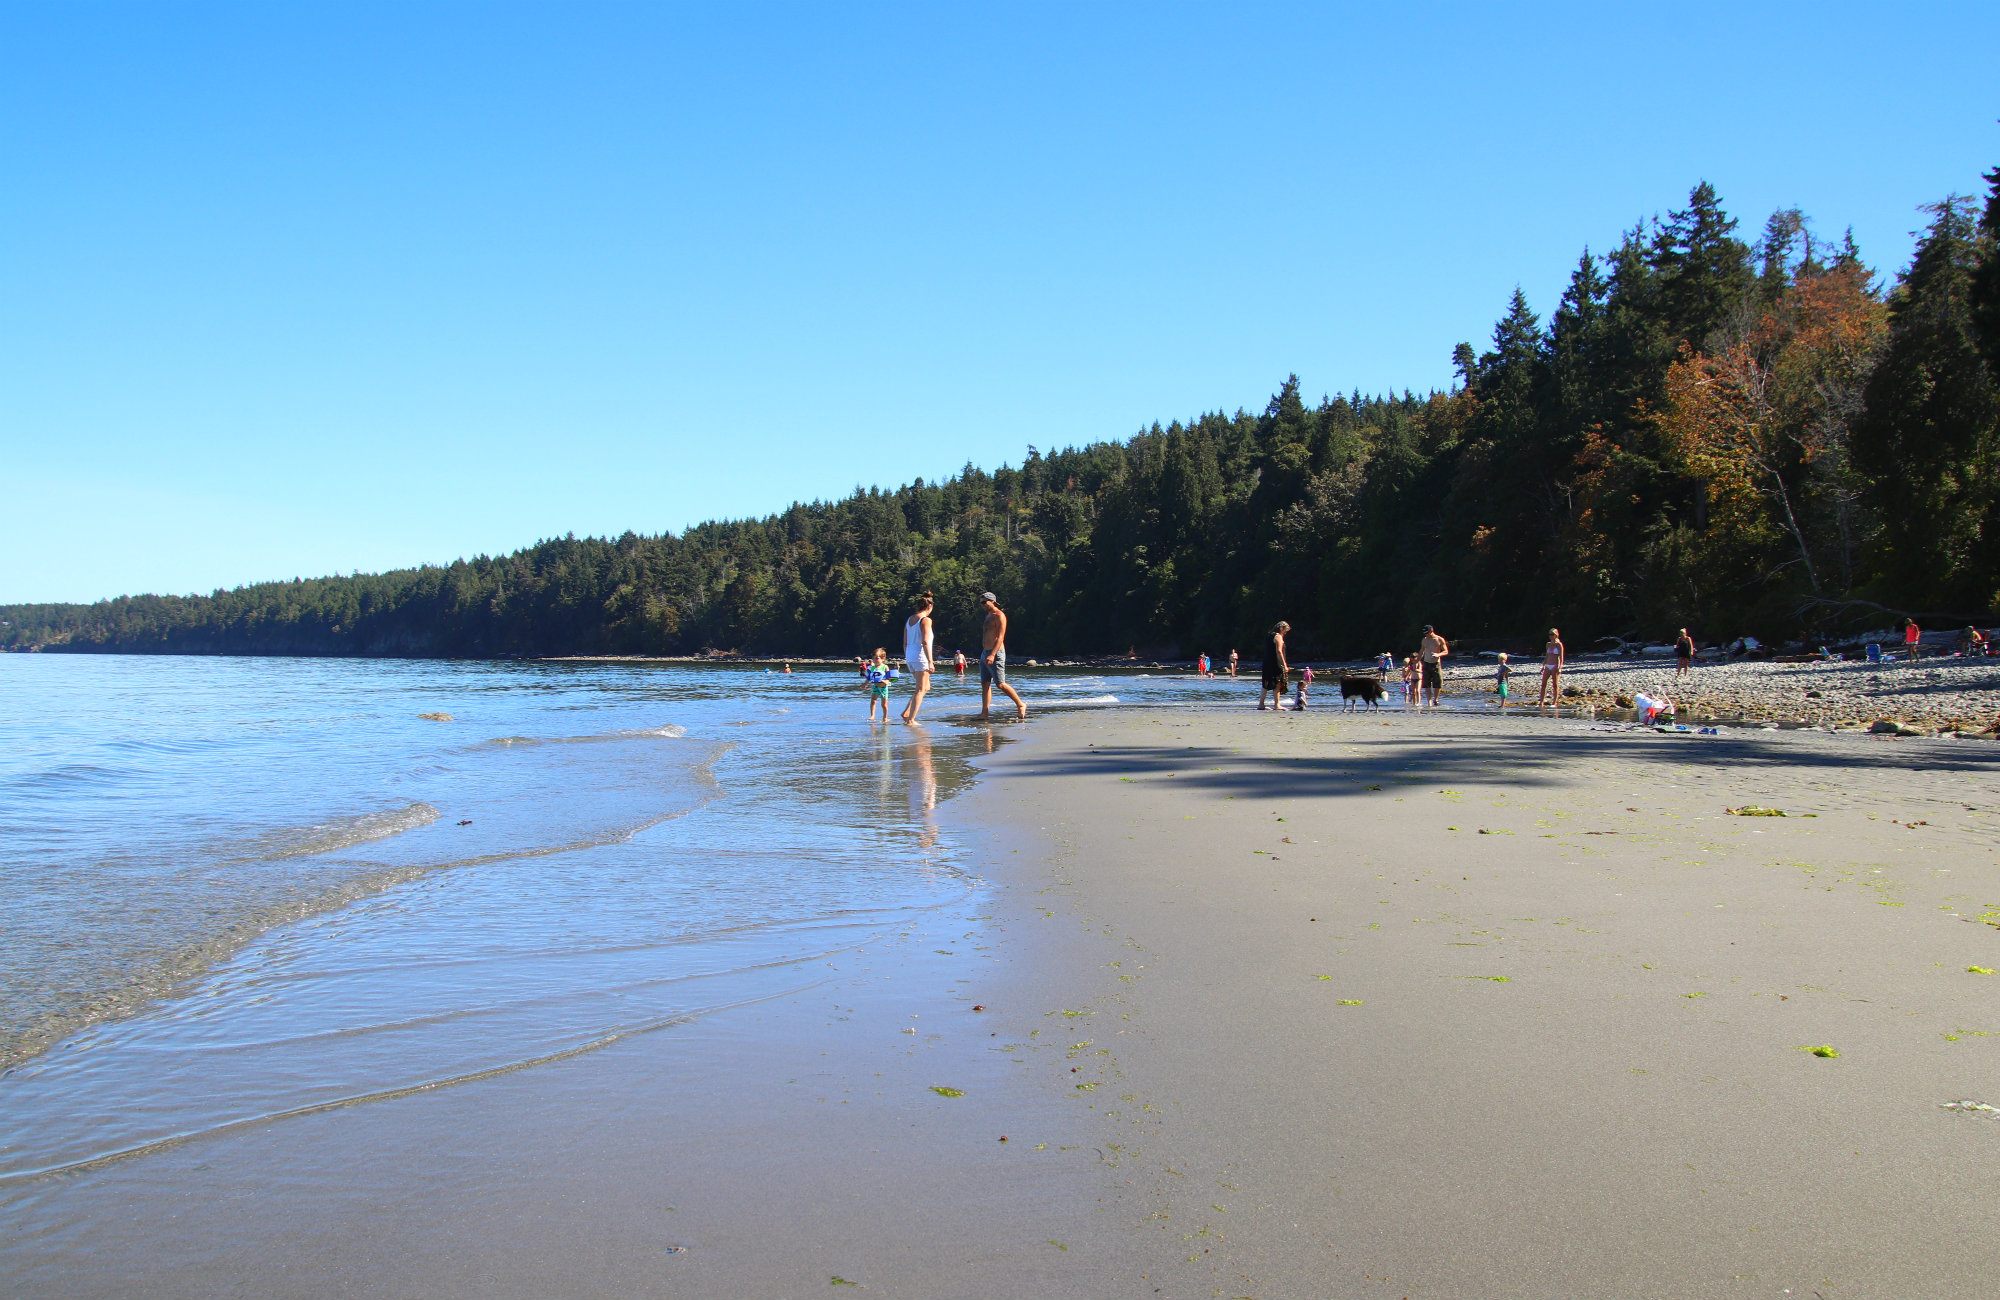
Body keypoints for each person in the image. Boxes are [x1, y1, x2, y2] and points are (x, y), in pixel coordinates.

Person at [977, 592, 1027, 720]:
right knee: (985, 684)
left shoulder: (999, 615)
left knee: (1000, 684)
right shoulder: (988, 615)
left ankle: (1020, 704)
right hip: (985, 653)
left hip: (996, 653)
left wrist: (993, 654)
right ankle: (984, 713)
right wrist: (986, 654)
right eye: (981, 602)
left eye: (984, 602)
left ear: (992, 601)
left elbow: (1000, 637)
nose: (982, 605)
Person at [900, 592, 935, 723]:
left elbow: (904, 642)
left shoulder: (909, 620)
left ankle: (907, 712)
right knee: (920, 689)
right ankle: (911, 720)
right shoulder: (926, 620)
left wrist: (908, 657)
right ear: (930, 606)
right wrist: (930, 661)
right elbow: (925, 641)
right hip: (921, 657)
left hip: (910, 656)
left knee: (926, 687)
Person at [1257, 621, 1290, 711]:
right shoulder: (1278, 636)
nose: (1285, 633)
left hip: (1266, 662)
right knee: (1277, 683)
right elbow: (1279, 651)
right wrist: (1284, 664)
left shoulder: (1269, 635)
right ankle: (1277, 705)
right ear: (1281, 628)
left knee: (1266, 683)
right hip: (1275, 663)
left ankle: (1261, 704)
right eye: (1285, 630)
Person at [1417, 624, 1449, 708]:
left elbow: (1446, 651)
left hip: (1436, 664)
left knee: (1437, 683)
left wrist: (1438, 654)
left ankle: (1436, 699)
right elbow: (1421, 651)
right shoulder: (1424, 640)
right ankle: (1429, 702)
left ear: (1431, 631)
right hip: (1426, 663)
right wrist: (1417, 661)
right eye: (1425, 633)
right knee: (1426, 684)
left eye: (1427, 632)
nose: (1426, 634)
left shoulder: (1439, 639)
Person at [864, 647, 895, 723]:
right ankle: (872, 716)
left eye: (877, 658)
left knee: (884, 704)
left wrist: (886, 681)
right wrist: (865, 684)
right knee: (873, 701)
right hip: (875, 686)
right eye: (874, 658)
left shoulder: (885, 667)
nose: (875, 660)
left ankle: (885, 718)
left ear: (883, 659)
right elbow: (869, 677)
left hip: (883, 687)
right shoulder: (872, 668)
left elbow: (888, 677)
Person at [1537, 628, 1565, 710]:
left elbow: (1561, 657)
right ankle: (1541, 702)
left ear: (1556, 635)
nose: (1550, 636)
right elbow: (1547, 656)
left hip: (1555, 665)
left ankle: (1554, 702)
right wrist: (1543, 666)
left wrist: (1560, 667)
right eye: (1549, 634)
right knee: (1543, 684)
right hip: (1548, 665)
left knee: (1555, 685)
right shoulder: (1548, 644)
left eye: (1552, 634)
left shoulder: (1559, 645)